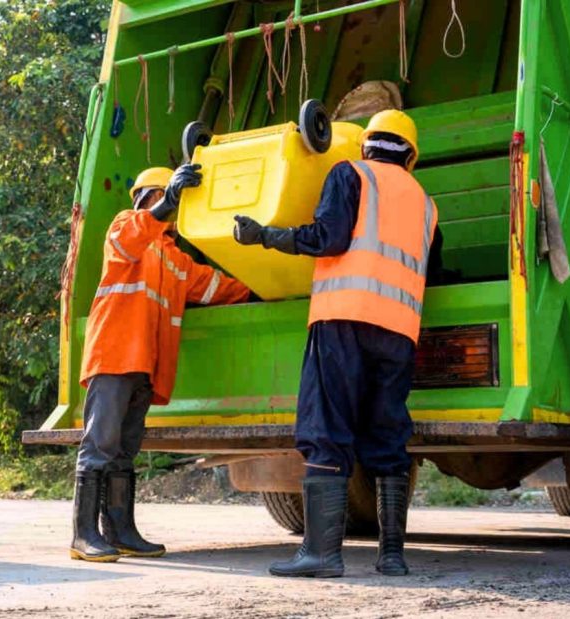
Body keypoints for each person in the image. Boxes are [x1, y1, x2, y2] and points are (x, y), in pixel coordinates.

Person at [233, 109, 442, 577]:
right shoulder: (427, 204)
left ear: (367, 144)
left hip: (342, 320)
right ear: (411, 156)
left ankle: (323, 554)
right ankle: (392, 557)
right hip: (398, 332)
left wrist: (264, 235)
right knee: (388, 435)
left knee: (326, 429)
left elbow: (327, 238)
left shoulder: (351, 174)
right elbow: (435, 270)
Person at [72, 164, 253, 562]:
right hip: (115, 355)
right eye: (163, 197)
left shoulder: (175, 259)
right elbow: (131, 238)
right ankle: (83, 535)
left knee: (123, 449)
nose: (168, 206)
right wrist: (166, 202)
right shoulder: (125, 227)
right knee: (100, 445)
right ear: (147, 198)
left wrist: (260, 285)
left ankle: (120, 530)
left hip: (143, 364)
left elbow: (214, 286)